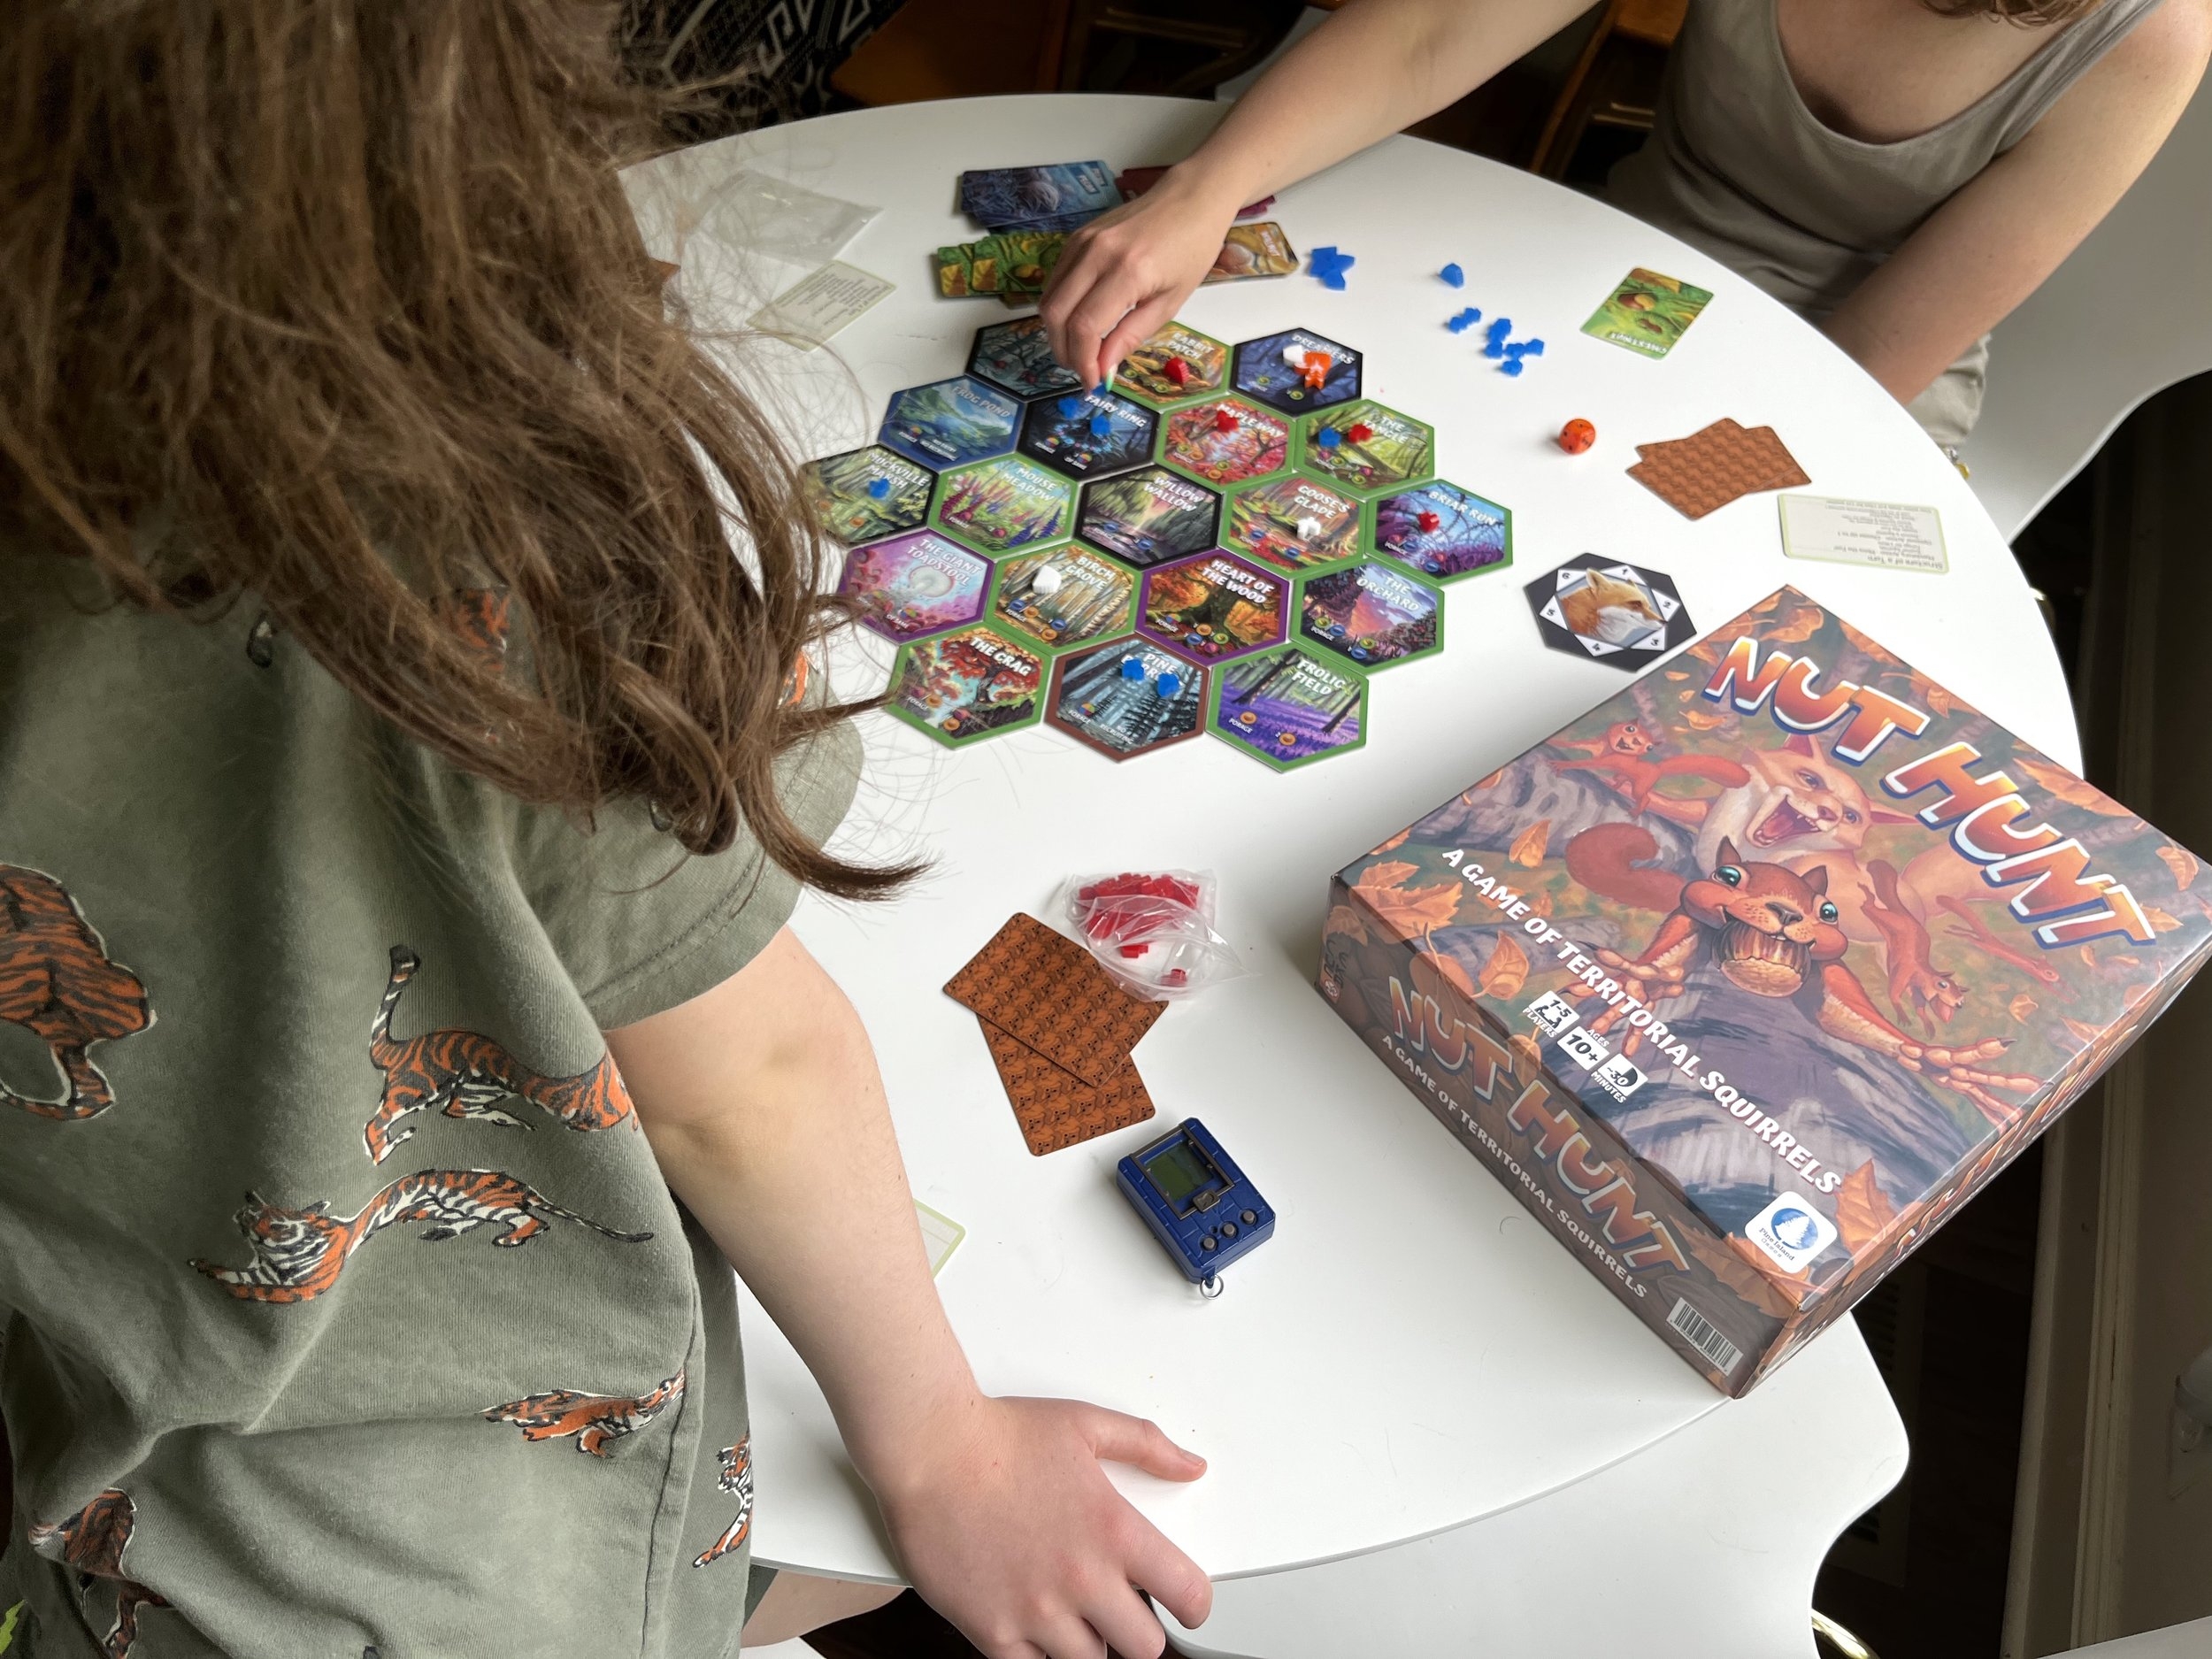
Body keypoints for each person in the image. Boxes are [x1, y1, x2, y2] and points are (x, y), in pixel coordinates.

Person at [0, 4, 1210, 1656]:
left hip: (105, 1495)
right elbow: (745, 1088)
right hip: (464, 1574)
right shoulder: (473, 569)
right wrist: (944, 1446)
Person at [1041, 0, 2210, 452]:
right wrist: (1206, 191)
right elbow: (1429, 33)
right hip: (1627, 269)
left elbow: (1868, 361)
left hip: (1853, 377)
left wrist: (1660, 481)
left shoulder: (2154, 32)